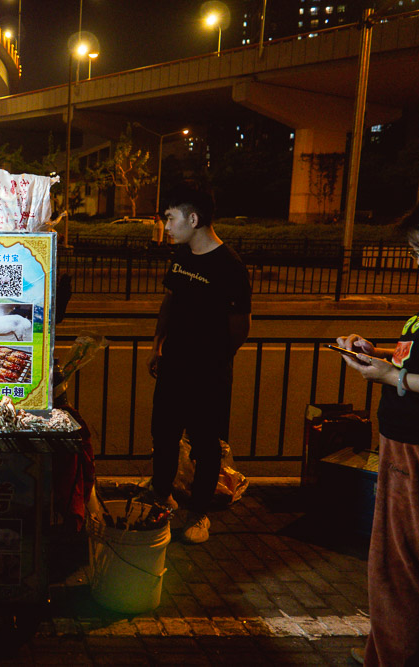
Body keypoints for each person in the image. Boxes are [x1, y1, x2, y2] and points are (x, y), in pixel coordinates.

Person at [335, 197, 419, 667]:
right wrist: (376, 353)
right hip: (407, 444)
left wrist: (391, 377)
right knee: (405, 565)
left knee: (400, 569)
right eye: (415, 252)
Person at [146, 185, 251, 544]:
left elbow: (240, 327)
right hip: (173, 364)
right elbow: (170, 300)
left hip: (209, 373)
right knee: (163, 435)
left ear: (194, 219)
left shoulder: (230, 266)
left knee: (206, 445)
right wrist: (158, 343)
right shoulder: (181, 257)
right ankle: (161, 498)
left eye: (170, 218)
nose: (166, 226)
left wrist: (213, 361)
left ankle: (199, 513)